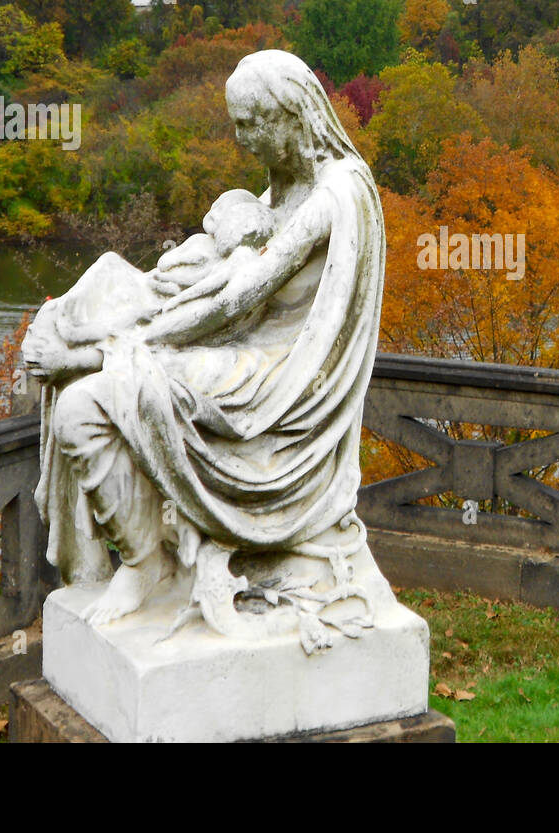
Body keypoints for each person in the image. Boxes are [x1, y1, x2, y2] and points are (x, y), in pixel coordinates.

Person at [22, 50, 386, 631]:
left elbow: (231, 302)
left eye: (249, 124)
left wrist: (91, 353)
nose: (241, 140)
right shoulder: (274, 194)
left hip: (280, 381)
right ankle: (146, 561)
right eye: (235, 123)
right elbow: (206, 281)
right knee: (101, 326)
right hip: (239, 354)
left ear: (291, 116)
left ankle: (148, 565)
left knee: (83, 403)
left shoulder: (339, 191)